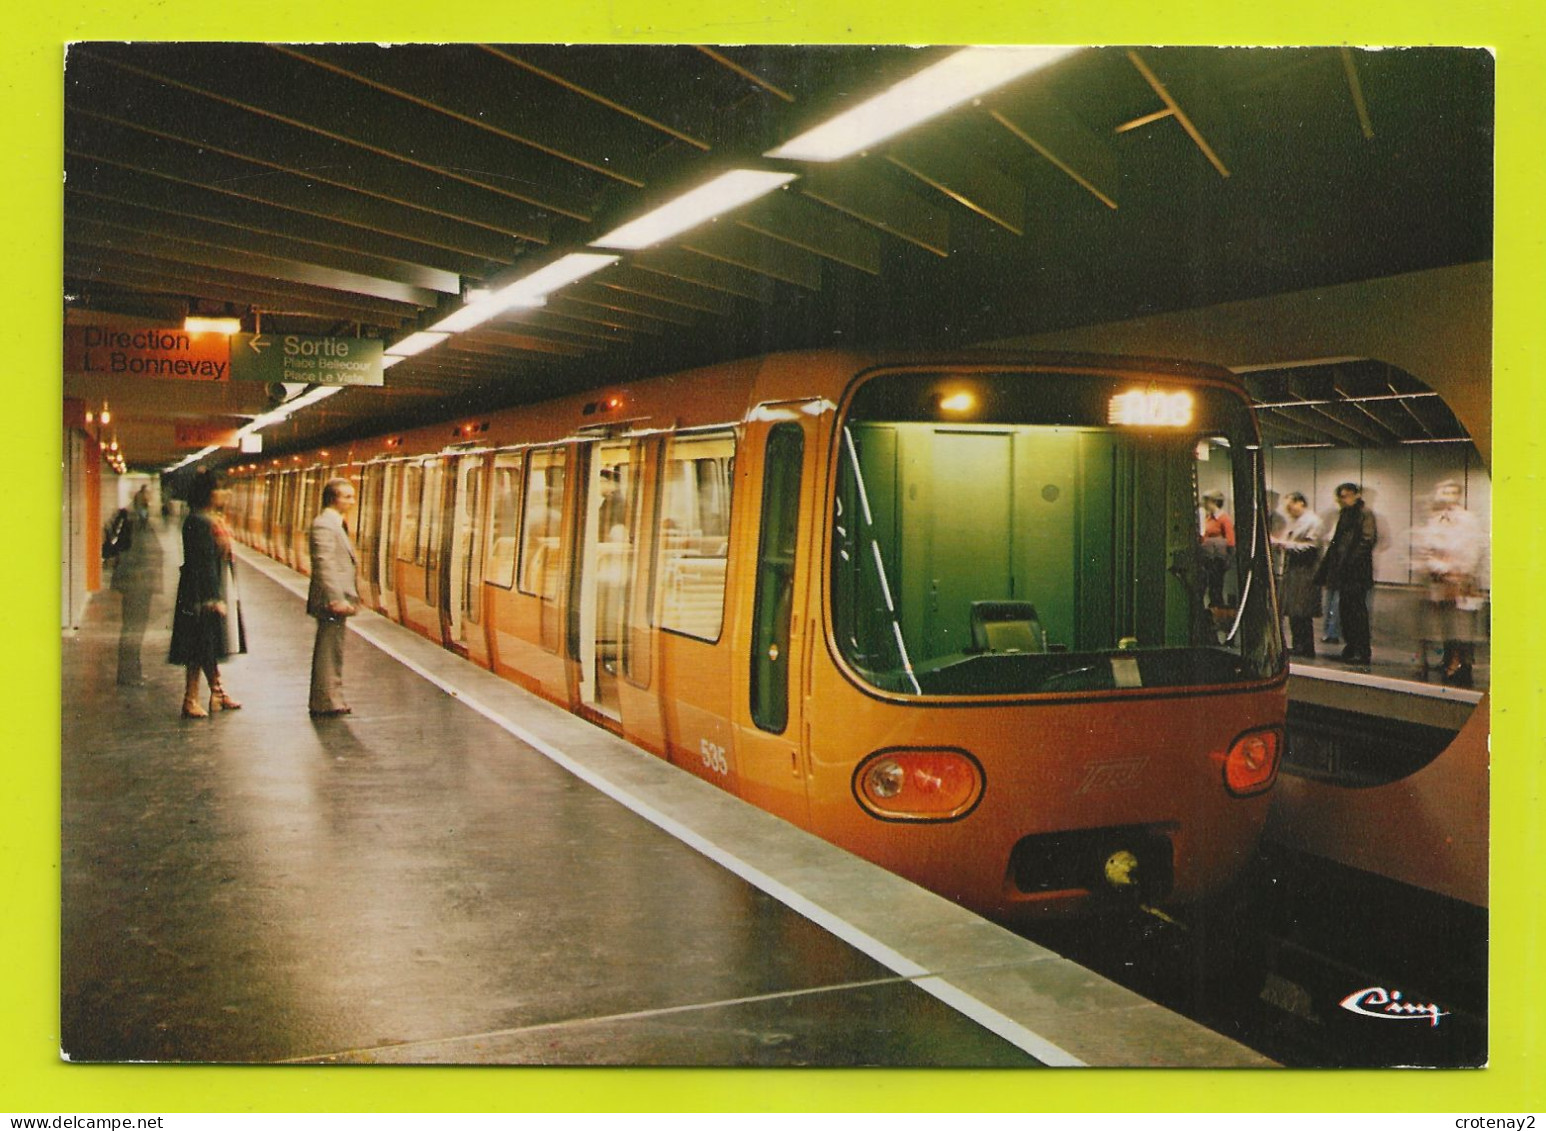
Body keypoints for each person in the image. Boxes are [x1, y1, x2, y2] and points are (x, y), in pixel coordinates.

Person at [168, 469, 245, 717]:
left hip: (207, 589)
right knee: (199, 646)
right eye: (220, 489)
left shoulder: (209, 520)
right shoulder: (199, 522)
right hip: (199, 594)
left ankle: (216, 693)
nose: (226, 493)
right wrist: (212, 598)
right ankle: (192, 700)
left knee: (204, 645)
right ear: (208, 493)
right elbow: (201, 563)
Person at [1412, 479, 1485, 686]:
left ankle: (1461, 665)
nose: (1448, 496)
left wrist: (1461, 571)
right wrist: (1440, 567)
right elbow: (1428, 549)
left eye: (1453, 492)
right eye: (1444, 491)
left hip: (1462, 581)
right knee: (1448, 625)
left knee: (1462, 626)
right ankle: (1451, 661)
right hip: (1441, 581)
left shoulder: (1468, 520)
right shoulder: (1435, 521)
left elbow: (1474, 549)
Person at [307, 477, 360, 718]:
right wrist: (335, 598)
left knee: (333, 649)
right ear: (333, 498)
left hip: (335, 598)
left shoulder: (334, 523)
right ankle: (325, 700)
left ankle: (331, 697)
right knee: (328, 650)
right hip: (330, 600)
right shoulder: (324, 525)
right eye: (347, 496)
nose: (352, 501)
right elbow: (323, 563)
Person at [1314, 482, 1378, 665]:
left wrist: (1350, 563)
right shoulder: (1347, 514)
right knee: (1346, 610)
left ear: (1356, 495)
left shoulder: (1364, 514)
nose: (1343, 500)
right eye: (1341, 496)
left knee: (1356, 611)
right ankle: (1351, 646)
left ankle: (1361, 649)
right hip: (1345, 570)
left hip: (1356, 572)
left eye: (1346, 496)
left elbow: (1367, 540)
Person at [1272, 491, 1324, 658]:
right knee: (1295, 612)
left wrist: (1284, 544)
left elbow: (1311, 546)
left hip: (1305, 572)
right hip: (1295, 572)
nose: (1288, 511)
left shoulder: (1313, 522)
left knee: (1302, 612)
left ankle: (1305, 647)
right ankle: (1298, 645)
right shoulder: (1297, 522)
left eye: (1290, 506)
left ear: (1300, 502)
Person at [1199, 489, 1236, 607]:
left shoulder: (1223, 518)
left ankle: (1217, 609)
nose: (1204, 503)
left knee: (1216, 586)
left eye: (1206, 500)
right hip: (1208, 557)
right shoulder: (1209, 518)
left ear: (1214, 501)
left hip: (1218, 558)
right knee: (1207, 584)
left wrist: (1228, 558)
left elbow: (1231, 540)